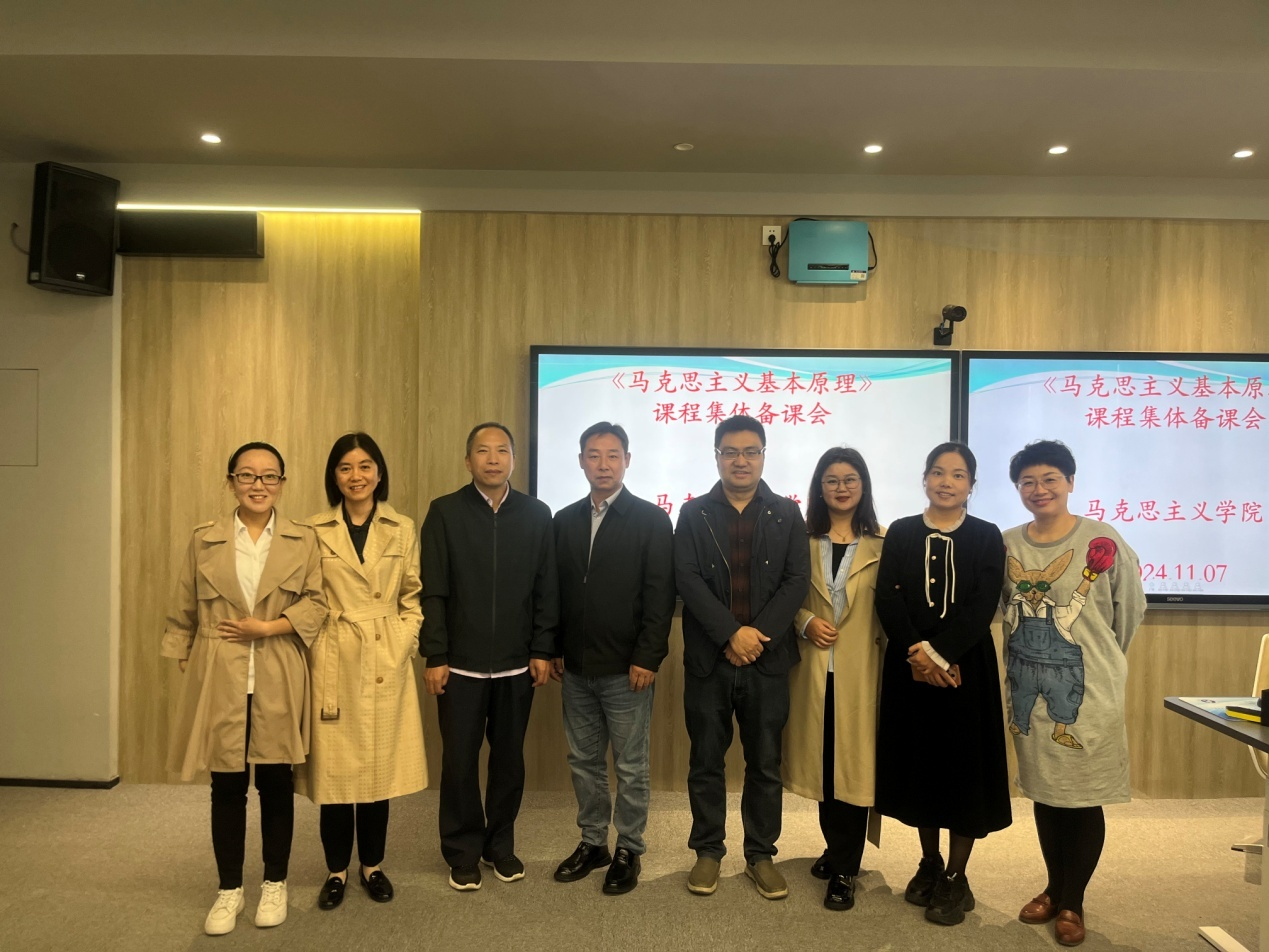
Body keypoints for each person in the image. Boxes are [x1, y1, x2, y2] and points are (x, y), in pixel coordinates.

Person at [160, 441, 326, 936]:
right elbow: (183, 603)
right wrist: (184, 650)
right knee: (227, 785)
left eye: (269, 476)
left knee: (276, 782)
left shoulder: (302, 539)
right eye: (247, 475)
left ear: (282, 483)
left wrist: (268, 628)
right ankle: (229, 888)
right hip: (221, 671)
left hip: (278, 668)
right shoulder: (205, 539)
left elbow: (317, 604)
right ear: (231, 481)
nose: (258, 485)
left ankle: (275, 882)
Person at [1000, 439, 1145, 948]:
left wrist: (1101, 662)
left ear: (1070, 483)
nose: (1039, 489)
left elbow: (1128, 611)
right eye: (1028, 482)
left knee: (1082, 798)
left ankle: (1072, 902)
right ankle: (1053, 885)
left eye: (1050, 479)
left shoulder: (1101, 539)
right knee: (1047, 793)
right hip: (1028, 687)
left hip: (1086, 688)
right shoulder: (1007, 545)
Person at [873, 440, 1010, 927]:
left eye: (957, 474)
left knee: (962, 770)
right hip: (909, 667)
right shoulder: (902, 531)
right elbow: (887, 597)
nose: (946, 482)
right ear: (925, 479)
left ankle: (956, 875)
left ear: (971, 484)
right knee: (921, 766)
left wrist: (939, 654)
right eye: (937, 472)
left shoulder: (987, 535)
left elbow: (982, 603)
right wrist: (918, 652)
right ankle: (929, 862)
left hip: (965, 669)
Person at [674, 415, 810, 900]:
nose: (741, 460)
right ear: (717, 457)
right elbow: (686, 578)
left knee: (765, 763)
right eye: (730, 452)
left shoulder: (787, 513)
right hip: (709, 660)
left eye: (751, 451)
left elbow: (796, 580)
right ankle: (708, 851)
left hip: (767, 662)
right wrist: (732, 634)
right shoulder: (693, 513)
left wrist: (756, 637)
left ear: (764, 456)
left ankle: (760, 855)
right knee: (705, 761)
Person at [419, 422, 559, 891]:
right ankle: (462, 850)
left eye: (502, 450)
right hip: (459, 665)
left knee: (508, 761)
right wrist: (435, 653)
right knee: (459, 761)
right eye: (483, 450)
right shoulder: (444, 512)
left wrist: (542, 648)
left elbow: (547, 588)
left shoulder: (537, 514)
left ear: (514, 460)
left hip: (518, 664)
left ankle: (500, 844)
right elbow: (433, 590)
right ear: (468, 461)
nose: (493, 459)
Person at [297, 433, 427, 910]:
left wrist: (403, 641)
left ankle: (372, 865)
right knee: (334, 774)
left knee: (376, 771)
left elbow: (412, 595)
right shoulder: (312, 529)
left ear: (379, 472)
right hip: (332, 657)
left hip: (383, 657)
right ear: (334, 476)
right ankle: (335, 870)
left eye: (365, 466)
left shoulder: (401, 526)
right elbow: (306, 597)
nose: (357, 476)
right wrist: (317, 646)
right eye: (346, 467)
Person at [550, 422, 675, 895]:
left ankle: (629, 848)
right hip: (576, 668)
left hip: (628, 670)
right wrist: (554, 647)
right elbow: (555, 591)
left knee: (630, 766)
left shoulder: (651, 519)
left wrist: (648, 657)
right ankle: (592, 842)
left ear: (627, 460)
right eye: (594, 455)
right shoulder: (563, 520)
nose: (603, 464)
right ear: (581, 461)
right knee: (584, 762)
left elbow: (660, 597)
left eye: (612, 455)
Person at [782, 446, 885, 912]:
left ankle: (846, 867)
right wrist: (804, 621)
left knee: (853, 769)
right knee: (824, 767)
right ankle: (836, 848)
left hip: (862, 671)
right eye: (832, 480)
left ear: (863, 486)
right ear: (819, 488)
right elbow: (782, 597)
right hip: (812, 670)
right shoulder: (800, 540)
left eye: (850, 479)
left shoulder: (884, 543)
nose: (841, 488)